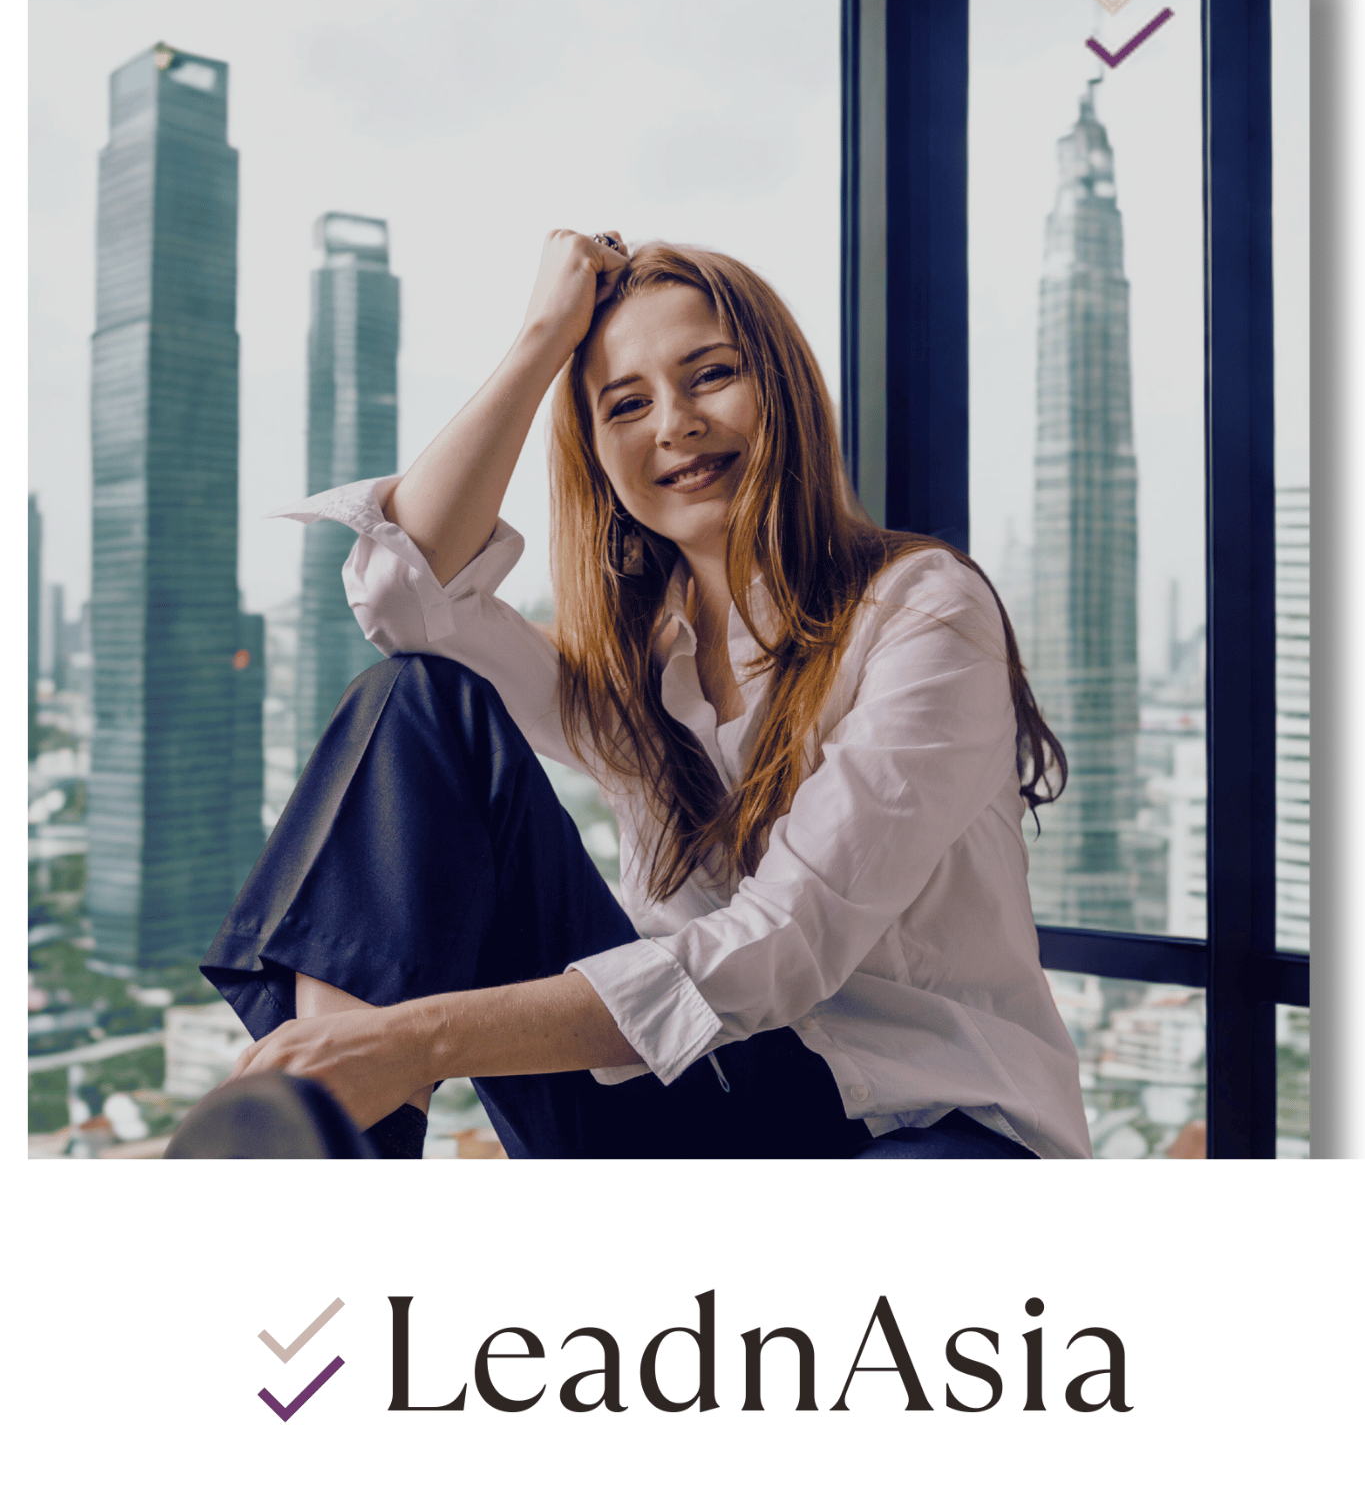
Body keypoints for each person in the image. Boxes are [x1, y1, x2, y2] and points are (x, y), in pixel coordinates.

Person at [182, 230, 1091, 1160]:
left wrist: (417, 1039)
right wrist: (543, 337)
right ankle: (330, 1152)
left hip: (920, 1119)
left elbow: (785, 943)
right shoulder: (633, 671)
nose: (674, 423)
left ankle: (348, 1099)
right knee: (416, 701)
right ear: (600, 460)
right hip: (689, 1099)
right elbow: (407, 598)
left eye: (710, 376)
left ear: (783, 392)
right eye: (626, 403)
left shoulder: (922, 608)